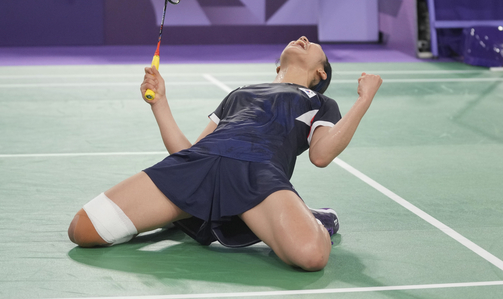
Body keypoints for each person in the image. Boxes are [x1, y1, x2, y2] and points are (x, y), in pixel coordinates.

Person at [68, 36, 382, 271]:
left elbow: (321, 155)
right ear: (277, 66)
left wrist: (364, 99)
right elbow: (188, 151)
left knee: (312, 256)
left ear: (321, 73)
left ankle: (311, 218)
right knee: (82, 229)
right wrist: (160, 103)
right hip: (199, 165)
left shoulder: (319, 102)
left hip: (258, 173)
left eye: (312, 44)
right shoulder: (240, 93)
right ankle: (191, 210)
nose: (302, 39)